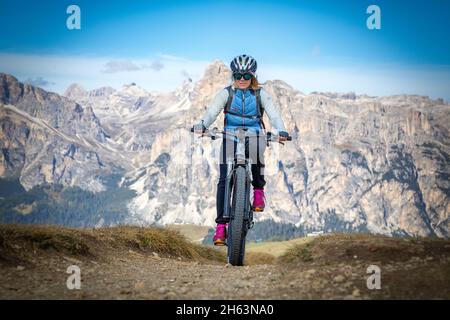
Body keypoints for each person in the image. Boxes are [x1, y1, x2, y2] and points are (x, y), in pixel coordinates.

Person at [193, 54, 289, 246]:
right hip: (230, 134)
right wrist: (202, 125)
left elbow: (274, 114)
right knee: (223, 179)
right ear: (233, 76)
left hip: (254, 133)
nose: (242, 79)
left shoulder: (261, 94)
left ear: (253, 75)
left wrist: (281, 130)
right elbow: (212, 112)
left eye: (246, 75)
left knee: (256, 154)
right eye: (238, 75)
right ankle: (221, 228)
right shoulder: (226, 94)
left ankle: (259, 190)